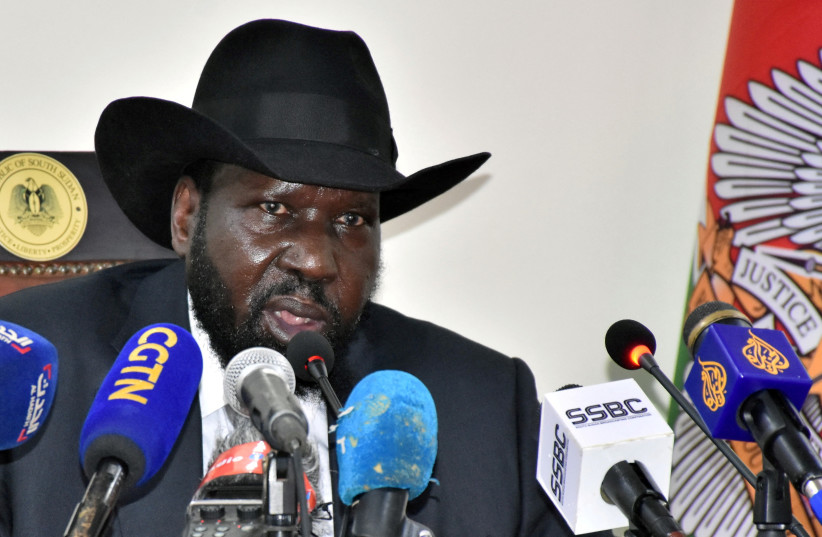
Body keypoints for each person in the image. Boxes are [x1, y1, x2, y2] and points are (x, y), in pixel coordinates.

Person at [0, 19, 599, 537]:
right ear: (187, 217)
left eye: (351, 219)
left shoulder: (486, 406)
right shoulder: (29, 374)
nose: (315, 261)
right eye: (274, 210)